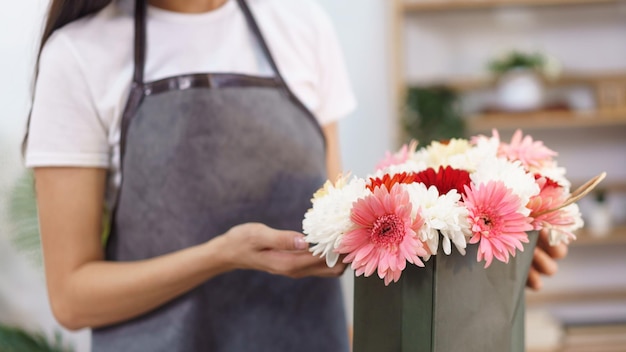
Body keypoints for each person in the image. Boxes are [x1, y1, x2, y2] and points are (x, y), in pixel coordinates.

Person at [24, 0, 566, 351]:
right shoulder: (80, 55)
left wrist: (484, 243)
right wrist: (221, 255)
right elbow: (73, 297)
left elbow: (340, 223)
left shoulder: (300, 28)